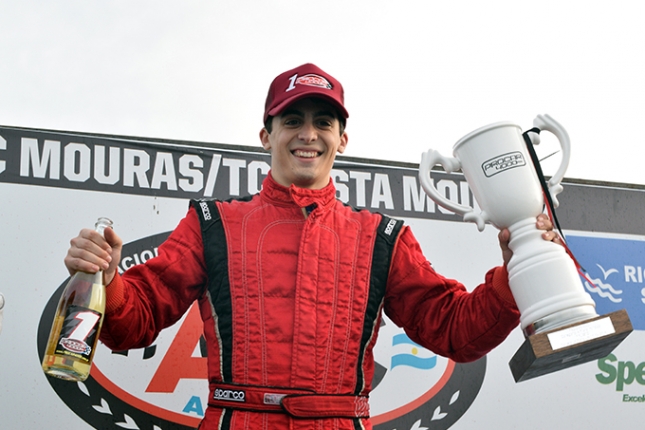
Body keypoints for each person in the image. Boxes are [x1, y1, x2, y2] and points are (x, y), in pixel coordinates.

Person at [64, 63, 561, 430]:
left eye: (323, 122)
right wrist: (108, 281)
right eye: (292, 120)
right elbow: (137, 321)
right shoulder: (211, 223)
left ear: (343, 139)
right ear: (266, 135)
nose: (308, 134)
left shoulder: (382, 236)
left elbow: (454, 332)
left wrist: (515, 273)